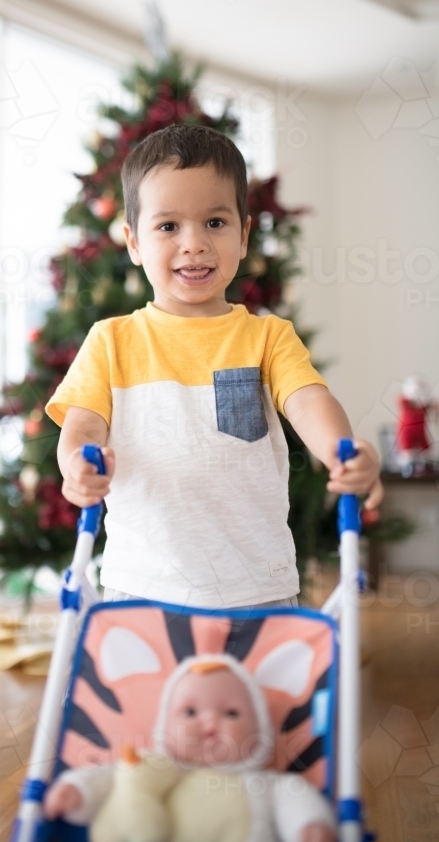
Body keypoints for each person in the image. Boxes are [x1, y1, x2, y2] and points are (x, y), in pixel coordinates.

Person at [46, 125, 382, 609]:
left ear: (243, 235)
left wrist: (343, 453)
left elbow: (309, 402)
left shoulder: (267, 338)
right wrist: (76, 466)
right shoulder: (111, 342)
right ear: (134, 243)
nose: (194, 244)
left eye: (215, 223)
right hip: (142, 586)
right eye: (168, 227)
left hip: (257, 588)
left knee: (261, 689)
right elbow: (81, 426)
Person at [43, 655, 336, 842]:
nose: (209, 722)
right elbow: (107, 780)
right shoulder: (155, 768)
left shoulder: (265, 785)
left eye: (232, 713)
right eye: (190, 712)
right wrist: (75, 792)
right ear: (164, 728)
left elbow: (296, 801)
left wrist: (309, 825)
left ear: (259, 731)